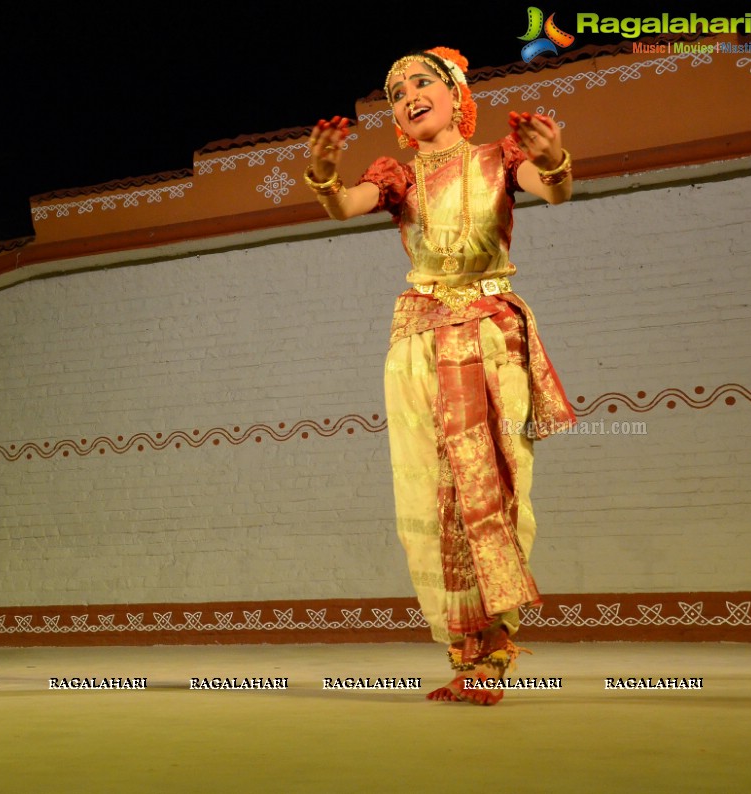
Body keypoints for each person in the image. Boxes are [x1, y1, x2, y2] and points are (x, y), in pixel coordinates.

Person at [304, 48, 576, 705]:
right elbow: (344, 205)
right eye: (396, 91)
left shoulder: (497, 161)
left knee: (496, 483)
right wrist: (321, 174)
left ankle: (496, 640)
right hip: (420, 346)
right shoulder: (397, 176)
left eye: (422, 82)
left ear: (457, 94)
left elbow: (556, 190)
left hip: (487, 341)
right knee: (430, 496)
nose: (408, 94)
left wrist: (552, 157)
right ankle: (464, 650)